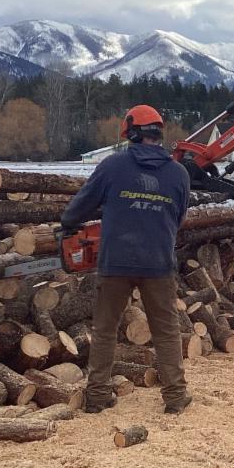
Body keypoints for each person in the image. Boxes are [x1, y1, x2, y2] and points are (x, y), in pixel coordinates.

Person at [61, 105, 193, 415]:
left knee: (105, 329)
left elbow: (77, 210)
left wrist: (69, 223)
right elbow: (179, 218)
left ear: (131, 133)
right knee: (166, 331)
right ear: (158, 133)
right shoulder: (179, 173)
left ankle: (97, 396)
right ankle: (175, 397)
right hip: (158, 262)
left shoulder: (112, 166)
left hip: (115, 261)